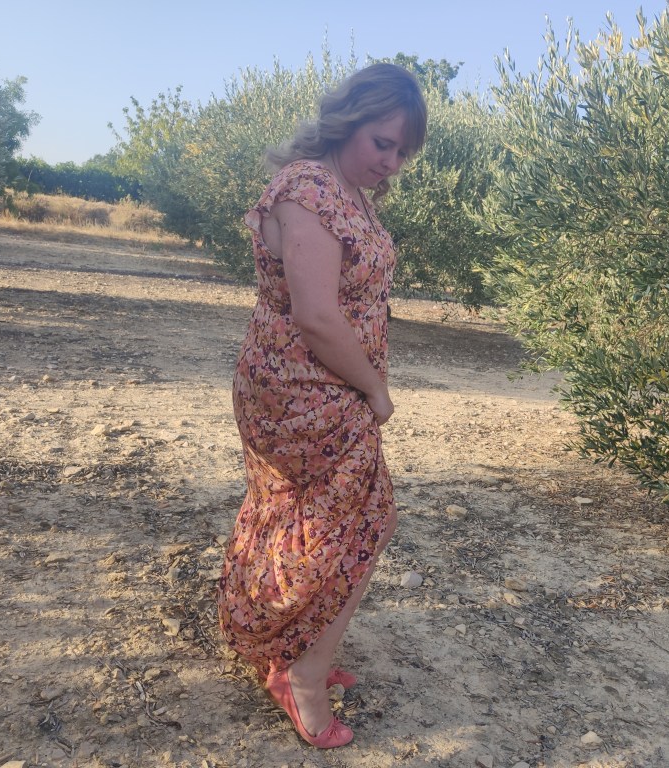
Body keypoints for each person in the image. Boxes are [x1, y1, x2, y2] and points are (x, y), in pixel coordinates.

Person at [216, 63, 427, 749]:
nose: (390, 162)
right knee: (364, 522)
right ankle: (302, 675)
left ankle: (288, 647)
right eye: (382, 142)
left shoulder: (347, 191)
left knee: (307, 521)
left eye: (402, 152)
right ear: (348, 120)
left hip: (317, 384)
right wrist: (375, 389)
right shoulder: (309, 188)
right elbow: (316, 315)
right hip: (304, 390)